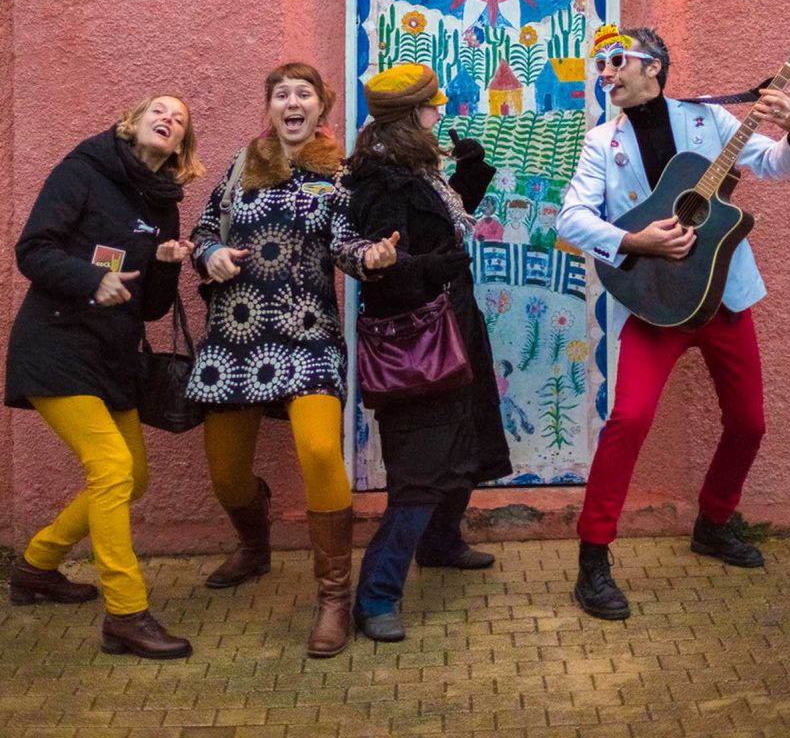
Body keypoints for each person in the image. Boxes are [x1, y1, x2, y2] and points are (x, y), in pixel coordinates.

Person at [556, 24, 790, 620]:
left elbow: (775, 165)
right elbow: (571, 218)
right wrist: (634, 240)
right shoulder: (601, 142)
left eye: (616, 60)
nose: (605, 73)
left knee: (749, 423)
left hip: (723, 297)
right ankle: (593, 558)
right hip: (654, 304)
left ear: (653, 66)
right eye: (600, 65)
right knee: (629, 419)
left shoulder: (708, 119)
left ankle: (714, 524)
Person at [186, 62, 397, 658]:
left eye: (304, 93)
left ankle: (333, 597)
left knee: (321, 451)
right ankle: (255, 547)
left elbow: (345, 244)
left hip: (309, 336)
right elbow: (204, 228)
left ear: (320, 107)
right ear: (271, 107)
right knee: (227, 474)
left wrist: (370, 257)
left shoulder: (339, 173)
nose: (292, 102)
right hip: (235, 336)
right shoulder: (242, 165)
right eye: (282, 94)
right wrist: (209, 254)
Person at [5, 94, 203, 659]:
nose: (168, 119)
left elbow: (152, 308)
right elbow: (33, 250)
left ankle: (38, 565)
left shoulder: (163, 203)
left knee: (132, 476)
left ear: (181, 146)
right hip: (56, 345)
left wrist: (164, 264)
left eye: (179, 120)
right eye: (158, 111)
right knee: (112, 467)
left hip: (112, 357)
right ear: (132, 122)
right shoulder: (82, 170)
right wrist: (92, 279)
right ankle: (126, 613)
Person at [346, 63, 512, 643]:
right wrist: (432, 268)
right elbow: (384, 268)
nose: (439, 113)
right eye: (431, 107)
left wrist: (470, 175)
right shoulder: (382, 183)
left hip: (452, 326)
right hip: (416, 342)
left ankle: (441, 542)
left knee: (468, 442)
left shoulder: (420, 171)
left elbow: (439, 228)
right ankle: (376, 595)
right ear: (411, 116)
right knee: (420, 469)